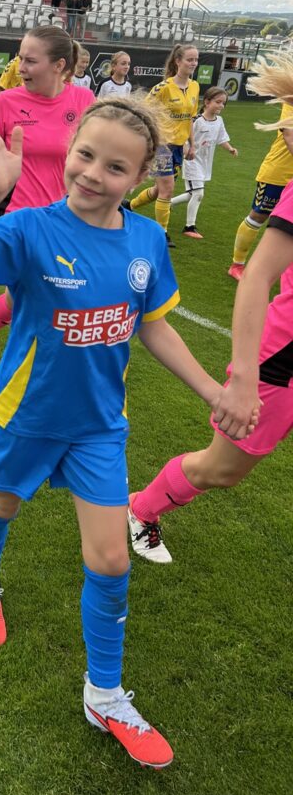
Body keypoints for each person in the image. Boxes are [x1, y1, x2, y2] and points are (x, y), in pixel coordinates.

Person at [0, 97, 225, 770]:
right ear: (70, 151)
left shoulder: (145, 241)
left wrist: (212, 390)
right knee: (2, 503)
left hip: (98, 427)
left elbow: (153, 327)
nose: (92, 173)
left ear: (140, 176)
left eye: (116, 167)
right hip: (27, 416)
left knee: (112, 560)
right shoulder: (30, 229)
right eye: (85, 155)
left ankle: (104, 695)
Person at [127, 55, 293, 566]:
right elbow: (259, 277)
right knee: (223, 469)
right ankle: (141, 508)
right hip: (283, 360)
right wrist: (243, 377)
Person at [0, 27, 95, 365]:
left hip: (71, 219)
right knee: (41, 294)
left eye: (30, 61)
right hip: (22, 220)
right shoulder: (8, 102)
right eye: (20, 58)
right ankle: (33, 364)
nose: (20, 67)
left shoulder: (84, 102)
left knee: (25, 297)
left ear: (59, 65)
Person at [126, 44, 199, 248]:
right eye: (190, 59)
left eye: (196, 60)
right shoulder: (163, 88)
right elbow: (143, 112)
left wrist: (191, 145)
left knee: (160, 190)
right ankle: (162, 233)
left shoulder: (194, 86)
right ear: (178, 61)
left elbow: (190, 118)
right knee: (168, 189)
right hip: (162, 146)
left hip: (178, 148)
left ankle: (129, 205)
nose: (193, 63)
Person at [227, 59, 293, 281]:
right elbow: (289, 135)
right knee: (258, 215)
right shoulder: (291, 98)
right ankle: (237, 264)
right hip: (278, 173)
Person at [170, 87, 238, 239]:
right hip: (192, 161)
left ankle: (168, 204)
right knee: (199, 194)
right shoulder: (196, 121)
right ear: (207, 102)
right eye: (218, 102)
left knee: (192, 194)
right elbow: (183, 138)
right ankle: (189, 227)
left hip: (206, 163)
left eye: (223, 103)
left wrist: (230, 148)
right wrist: (187, 151)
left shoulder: (219, 121)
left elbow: (222, 138)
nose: (221, 106)